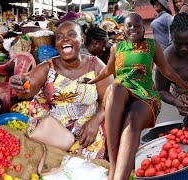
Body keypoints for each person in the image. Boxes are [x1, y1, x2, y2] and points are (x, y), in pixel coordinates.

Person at [88, 13, 188, 179]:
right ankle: (114, 165)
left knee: (132, 119)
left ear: (143, 30)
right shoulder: (116, 48)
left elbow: (167, 70)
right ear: (123, 29)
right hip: (121, 92)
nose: (133, 29)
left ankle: (119, 176)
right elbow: (108, 71)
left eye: (137, 26)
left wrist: (185, 86)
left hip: (145, 94)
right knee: (115, 89)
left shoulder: (152, 45)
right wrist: (91, 81)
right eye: (129, 26)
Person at [11, 21, 113, 159]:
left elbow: (110, 99)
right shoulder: (47, 67)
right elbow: (29, 88)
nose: (65, 39)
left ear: (82, 39)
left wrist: (95, 121)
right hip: (51, 134)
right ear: (56, 44)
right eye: (59, 37)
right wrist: (23, 87)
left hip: (87, 133)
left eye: (71, 34)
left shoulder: (96, 66)